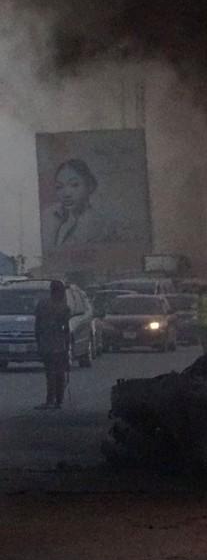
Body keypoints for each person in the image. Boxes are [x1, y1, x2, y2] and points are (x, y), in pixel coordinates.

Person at [42, 158, 120, 248]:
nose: (66, 194)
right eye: (59, 187)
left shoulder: (102, 225)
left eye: (74, 185)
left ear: (90, 186)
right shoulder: (51, 215)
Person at [33, 280, 71, 410]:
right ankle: (58, 400)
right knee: (59, 373)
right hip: (59, 345)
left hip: (47, 344)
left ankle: (51, 400)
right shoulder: (64, 307)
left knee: (50, 373)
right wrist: (68, 344)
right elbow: (66, 329)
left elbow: (37, 326)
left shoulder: (42, 304)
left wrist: (38, 342)